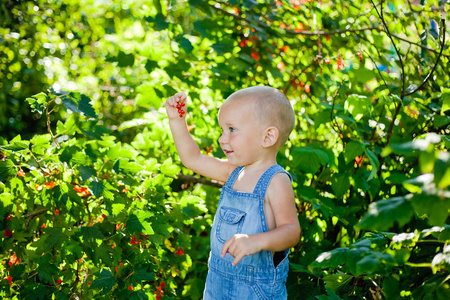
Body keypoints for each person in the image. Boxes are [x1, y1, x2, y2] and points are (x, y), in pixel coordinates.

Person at [165, 86, 300, 299]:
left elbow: (291, 231)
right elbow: (192, 159)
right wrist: (177, 121)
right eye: (222, 130)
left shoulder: (276, 181)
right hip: (217, 285)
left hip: (255, 290)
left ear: (267, 137)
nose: (221, 138)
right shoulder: (233, 172)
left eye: (231, 130)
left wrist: (256, 241)